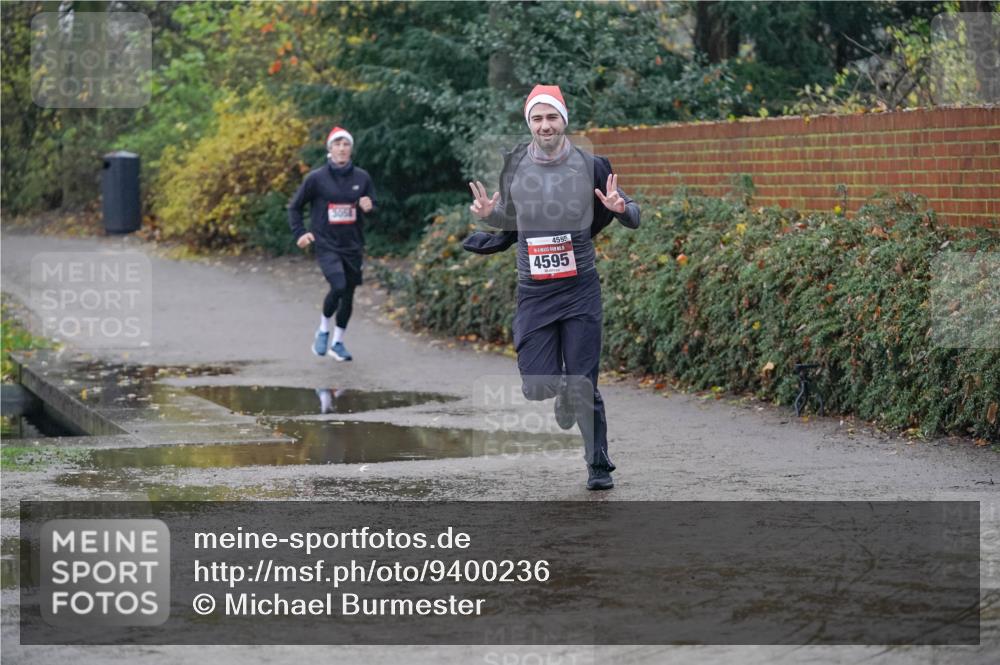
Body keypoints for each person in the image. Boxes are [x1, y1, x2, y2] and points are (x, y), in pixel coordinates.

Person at [465, 85, 640, 490]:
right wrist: (492, 216)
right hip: (534, 291)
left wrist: (621, 209)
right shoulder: (515, 165)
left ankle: (598, 464)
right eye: (537, 118)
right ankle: (561, 391)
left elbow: (634, 213)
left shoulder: (592, 165)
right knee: (536, 385)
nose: (545, 125)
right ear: (529, 123)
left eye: (552, 117)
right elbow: (512, 220)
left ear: (564, 120)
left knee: (585, 382)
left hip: (580, 290)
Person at [288, 126, 376, 361]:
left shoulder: (362, 177)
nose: (342, 148)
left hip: (353, 245)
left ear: (351, 149)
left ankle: (338, 342)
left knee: (348, 294)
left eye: (346, 144)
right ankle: (323, 329)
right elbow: (294, 207)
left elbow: (372, 207)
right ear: (330, 149)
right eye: (337, 144)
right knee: (338, 285)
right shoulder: (316, 178)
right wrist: (300, 233)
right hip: (326, 243)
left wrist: (369, 208)